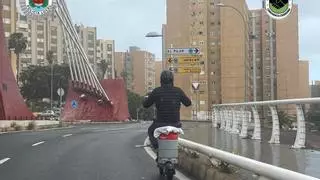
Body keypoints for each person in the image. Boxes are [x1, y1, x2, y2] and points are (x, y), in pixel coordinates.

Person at [142, 70, 191, 150]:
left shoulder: (156, 91)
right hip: (175, 124)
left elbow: (146, 105)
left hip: (160, 124)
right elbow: (188, 103)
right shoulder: (178, 91)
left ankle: (156, 147)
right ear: (172, 80)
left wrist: (146, 99)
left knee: (150, 130)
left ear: (161, 80)